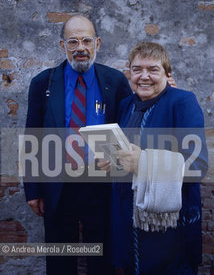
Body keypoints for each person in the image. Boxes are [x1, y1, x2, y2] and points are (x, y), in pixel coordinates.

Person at [24, 14, 133, 275]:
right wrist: (32, 189)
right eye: (73, 41)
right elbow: (32, 137)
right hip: (58, 185)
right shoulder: (43, 83)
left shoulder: (114, 81)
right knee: (60, 259)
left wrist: (167, 90)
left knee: (102, 259)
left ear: (98, 43)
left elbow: (132, 125)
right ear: (63, 46)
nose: (80, 48)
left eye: (86, 40)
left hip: (102, 185)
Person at [111, 42, 208, 275]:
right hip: (127, 221)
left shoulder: (182, 102)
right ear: (129, 74)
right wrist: (112, 162)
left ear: (167, 74)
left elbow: (198, 165)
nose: (144, 76)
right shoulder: (125, 105)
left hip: (168, 229)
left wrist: (143, 163)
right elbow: (125, 156)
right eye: (137, 69)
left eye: (153, 69)